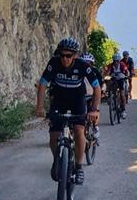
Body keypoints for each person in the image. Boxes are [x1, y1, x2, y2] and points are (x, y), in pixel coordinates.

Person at [36, 38, 101, 185]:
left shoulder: (83, 66)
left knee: (79, 131)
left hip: (77, 100)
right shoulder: (53, 63)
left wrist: (94, 109)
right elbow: (42, 84)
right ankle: (57, 161)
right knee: (53, 137)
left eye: (68, 55)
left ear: (75, 56)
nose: (65, 59)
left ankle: (78, 167)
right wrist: (39, 107)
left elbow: (96, 88)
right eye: (62, 55)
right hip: (59, 100)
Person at [82, 52, 101, 143]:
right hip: (81, 95)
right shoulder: (79, 70)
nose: (87, 64)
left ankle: (95, 127)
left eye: (88, 63)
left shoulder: (95, 71)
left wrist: (103, 90)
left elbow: (101, 83)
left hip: (92, 95)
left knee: (94, 110)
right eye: (85, 62)